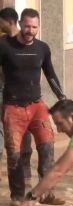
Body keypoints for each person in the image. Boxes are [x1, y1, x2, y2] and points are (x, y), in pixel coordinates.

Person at [0, 8, 66, 206]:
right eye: (27, 26)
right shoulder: (4, 46)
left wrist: (61, 97)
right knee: (14, 154)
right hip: (13, 107)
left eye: (34, 27)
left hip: (37, 106)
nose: (30, 30)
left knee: (47, 147)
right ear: (20, 24)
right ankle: (18, 196)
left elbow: (51, 74)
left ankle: (46, 193)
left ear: (39, 27)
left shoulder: (42, 48)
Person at [0, 7, 33, 184]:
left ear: (9, 21)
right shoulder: (3, 42)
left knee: (25, 130)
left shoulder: (26, 41)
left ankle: (25, 167)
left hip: (24, 94)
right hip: (7, 92)